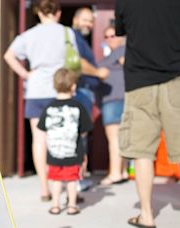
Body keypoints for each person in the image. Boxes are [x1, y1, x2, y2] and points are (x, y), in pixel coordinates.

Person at [115, 0, 180, 227]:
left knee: (142, 152)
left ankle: (146, 215)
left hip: (139, 83)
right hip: (176, 80)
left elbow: (122, 33)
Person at [3, 0, 80, 202]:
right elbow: (74, 62)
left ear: (38, 13)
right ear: (58, 12)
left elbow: (8, 55)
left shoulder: (28, 35)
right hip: (60, 90)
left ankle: (45, 188)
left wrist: (26, 74)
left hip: (36, 90)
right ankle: (67, 185)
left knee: (39, 141)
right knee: (65, 138)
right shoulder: (67, 32)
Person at [37, 68, 93, 215]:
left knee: (56, 180)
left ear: (54, 85)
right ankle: (72, 206)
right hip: (73, 152)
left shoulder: (48, 108)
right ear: (73, 86)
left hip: (54, 152)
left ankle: (55, 206)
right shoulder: (78, 107)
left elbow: (42, 128)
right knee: (72, 181)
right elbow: (84, 130)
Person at [71, 7, 109, 189]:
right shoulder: (73, 36)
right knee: (79, 136)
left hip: (85, 92)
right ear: (75, 19)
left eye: (91, 21)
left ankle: (77, 178)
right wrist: (98, 72)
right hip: (80, 91)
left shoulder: (82, 39)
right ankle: (76, 180)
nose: (89, 24)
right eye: (85, 20)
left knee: (80, 136)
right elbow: (77, 62)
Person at [97, 26, 129, 185]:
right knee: (120, 138)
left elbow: (129, 67)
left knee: (114, 138)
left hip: (115, 99)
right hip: (114, 100)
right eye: (107, 36)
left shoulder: (123, 50)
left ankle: (115, 173)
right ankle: (122, 171)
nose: (110, 38)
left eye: (113, 35)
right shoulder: (110, 56)